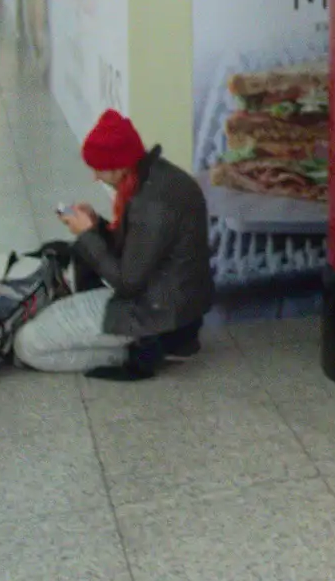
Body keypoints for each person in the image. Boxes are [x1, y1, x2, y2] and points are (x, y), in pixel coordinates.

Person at [13, 110, 213, 381]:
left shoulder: (152, 203)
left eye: (99, 168)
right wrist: (97, 226)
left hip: (153, 316)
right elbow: (140, 251)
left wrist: (87, 236)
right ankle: (166, 345)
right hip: (169, 308)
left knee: (27, 344)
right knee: (42, 321)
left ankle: (143, 352)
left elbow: (126, 281)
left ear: (119, 165)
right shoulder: (158, 179)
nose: (95, 176)